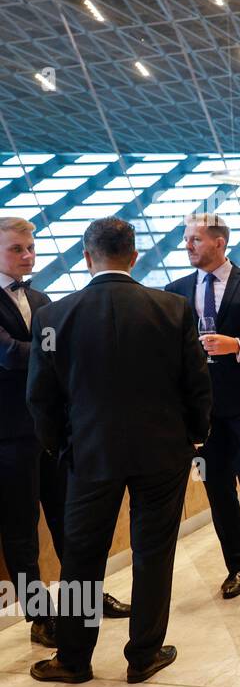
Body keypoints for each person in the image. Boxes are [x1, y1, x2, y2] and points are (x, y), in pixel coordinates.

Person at [28, 218, 211, 684]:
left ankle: (72, 658)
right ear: (133, 257)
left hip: (89, 454)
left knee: (81, 557)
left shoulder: (54, 317)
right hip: (163, 451)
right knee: (154, 552)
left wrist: (61, 448)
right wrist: (194, 435)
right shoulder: (172, 309)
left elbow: (40, 398)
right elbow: (196, 383)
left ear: (88, 258)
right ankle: (144, 654)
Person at [164, 214, 240, 608]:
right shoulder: (176, 291)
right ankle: (238, 567)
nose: (188, 246)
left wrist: (236, 344)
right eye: (186, 239)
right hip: (202, 414)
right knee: (218, 493)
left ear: (220, 242)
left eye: (195, 239)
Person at [2, 217, 101, 650]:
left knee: (69, 518)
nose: (28, 255)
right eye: (17, 249)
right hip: (7, 436)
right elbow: (9, 354)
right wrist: (63, 348)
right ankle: (39, 616)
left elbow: (44, 351)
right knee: (21, 528)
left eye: (30, 247)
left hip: (50, 430)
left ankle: (83, 603)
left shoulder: (40, 296)